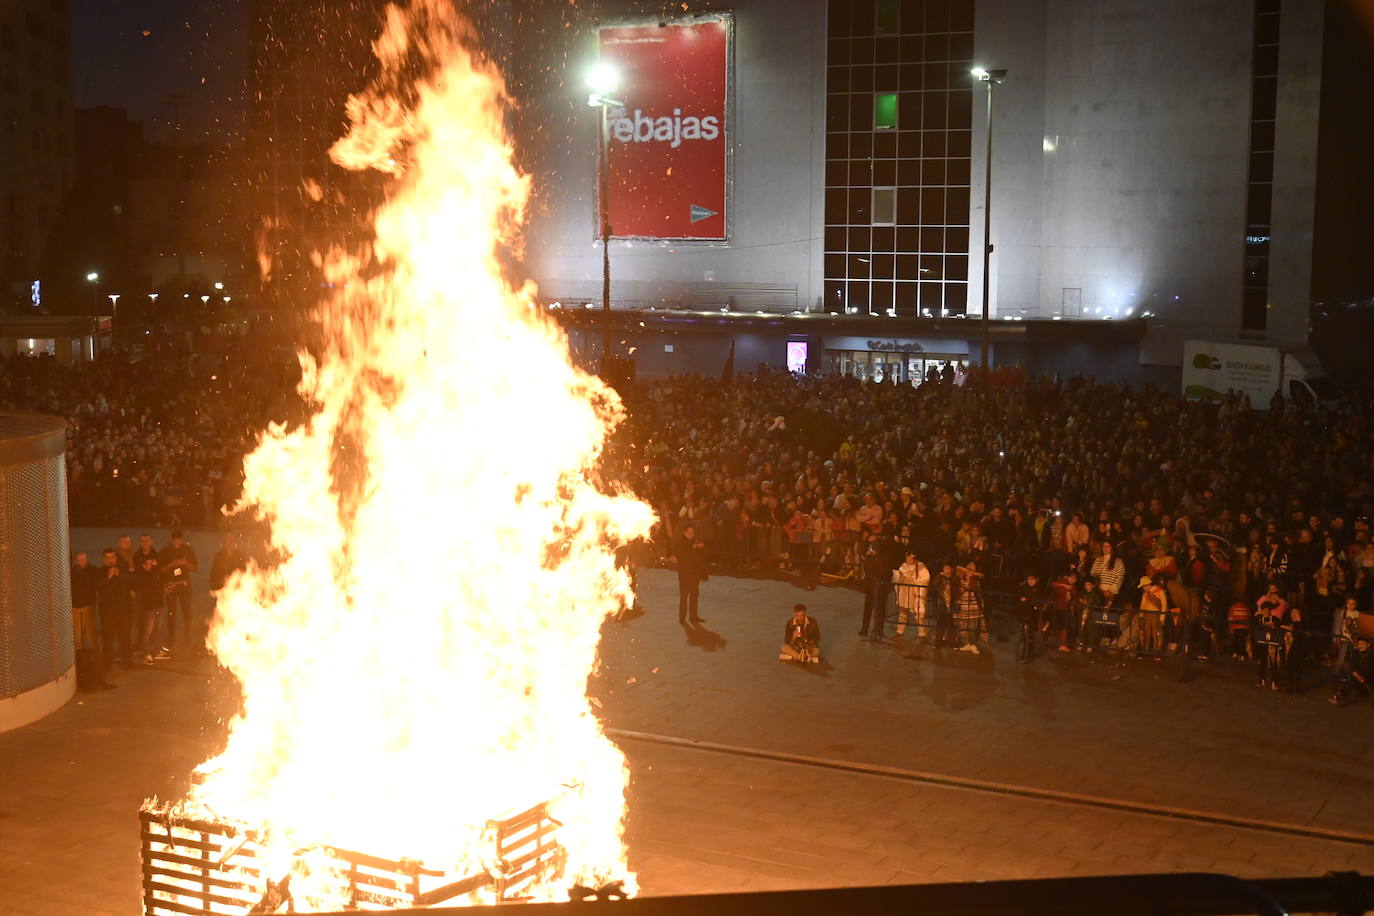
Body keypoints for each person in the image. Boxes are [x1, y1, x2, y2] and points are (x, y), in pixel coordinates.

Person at [159, 529, 198, 645]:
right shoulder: (165, 551)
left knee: (186, 611)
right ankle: (171, 637)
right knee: (171, 612)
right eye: (175, 540)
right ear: (171, 540)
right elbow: (160, 570)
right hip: (171, 585)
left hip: (184, 585)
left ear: (182, 539)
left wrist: (185, 563)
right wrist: (172, 564)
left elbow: (195, 568)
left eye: (179, 540)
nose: (177, 542)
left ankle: (188, 636)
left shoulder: (188, 549)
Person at [96, 547, 133, 671]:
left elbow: (131, 582)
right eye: (107, 558)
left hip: (123, 611)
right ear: (103, 559)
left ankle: (128, 663)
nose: (110, 560)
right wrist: (108, 577)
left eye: (112, 557)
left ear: (116, 558)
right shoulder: (100, 571)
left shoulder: (123, 568)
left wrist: (119, 574)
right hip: (107, 612)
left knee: (125, 638)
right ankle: (107, 665)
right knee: (108, 639)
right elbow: (97, 587)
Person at [673, 524, 708, 624]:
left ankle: (693, 616)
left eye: (693, 532)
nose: (691, 534)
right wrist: (694, 547)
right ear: (684, 533)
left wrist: (699, 547)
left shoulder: (695, 541)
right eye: (689, 532)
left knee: (694, 595)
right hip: (685, 574)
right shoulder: (680, 543)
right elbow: (683, 556)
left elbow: (700, 557)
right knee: (684, 596)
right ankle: (682, 617)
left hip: (694, 574)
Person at [892, 551, 929, 641]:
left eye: (911, 557)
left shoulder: (920, 566)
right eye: (908, 557)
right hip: (904, 593)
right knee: (902, 613)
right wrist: (901, 577)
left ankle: (922, 633)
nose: (909, 559)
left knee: (919, 613)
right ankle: (900, 632)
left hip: (915, 593)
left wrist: (913, 580)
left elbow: (925, 579)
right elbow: (898, 579)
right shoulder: (903, 566)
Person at [1329, 634, 1372, 707]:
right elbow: (1352, 666)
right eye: (1358, 644)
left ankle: (1342, 701)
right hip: (1356, 678)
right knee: (1343, 685)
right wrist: (1357, 675)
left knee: (1355, 691)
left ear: (1368, 645)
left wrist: (1364, 679)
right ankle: (1337, 698)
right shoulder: (1355, 653)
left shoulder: (1371, 655)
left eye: (1362, 644)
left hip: (1368, 681)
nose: (1360, 646)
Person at [69, 552, 99, 650]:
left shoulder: (92, 570)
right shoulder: (72, 572)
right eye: (80, 560)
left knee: (91, 633)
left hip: (89, 606)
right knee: (78, 633)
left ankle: (94, 655)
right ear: (76, 561)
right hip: (76, 606)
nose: (82, 562)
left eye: (84, 559)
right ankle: (80, 655)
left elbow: (95, 584)